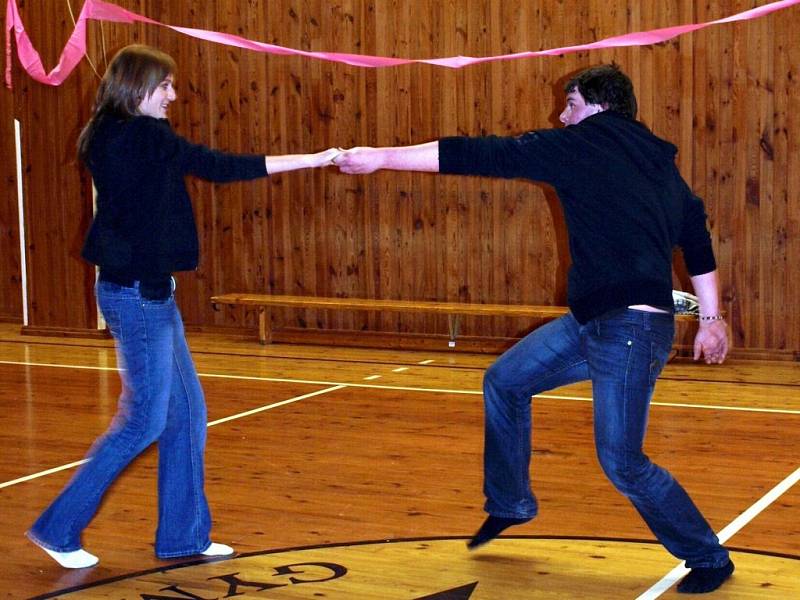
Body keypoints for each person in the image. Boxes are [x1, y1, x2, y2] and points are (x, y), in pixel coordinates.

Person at [334, 64, 734, 594]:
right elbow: (698, 244)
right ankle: (511, 503)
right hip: (593, 323)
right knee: (506, 381)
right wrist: (710, 319)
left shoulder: (584, 144)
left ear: (595, 105)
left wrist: (382, 158)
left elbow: (481, 154)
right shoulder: (661, 167)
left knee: (622, 461)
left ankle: (708, 558)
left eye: (568, 105)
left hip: (631, 330)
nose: (561, 117)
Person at [26, 44, 340, 569]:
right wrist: (311, 159)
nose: (173, 94)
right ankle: (58, 528)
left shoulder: (110, 132)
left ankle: (184, 536)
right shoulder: (142, 136)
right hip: (138, 294)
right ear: (136, 86)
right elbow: (217, 167)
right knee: (144, 421)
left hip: (145, 291)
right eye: (165, 85)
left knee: (188, 413)